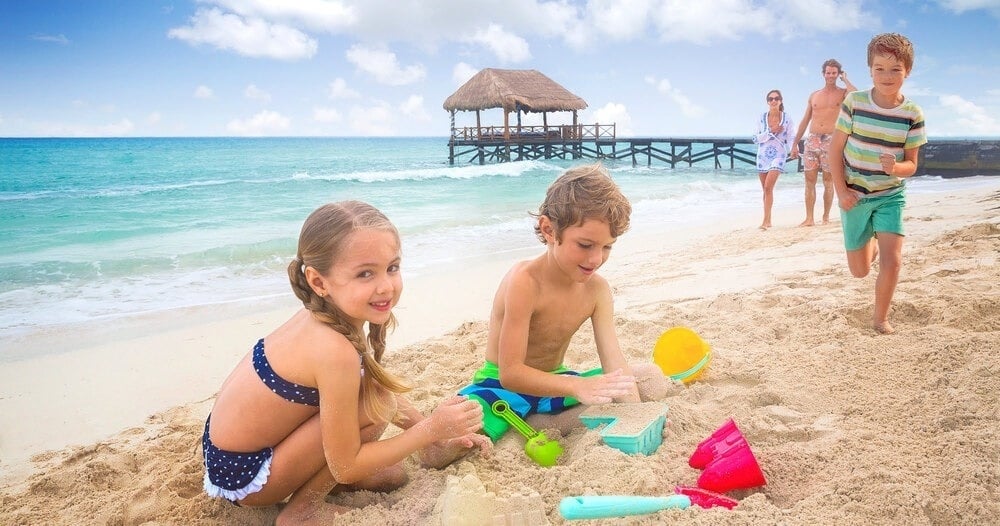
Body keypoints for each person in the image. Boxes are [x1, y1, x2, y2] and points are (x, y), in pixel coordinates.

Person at [201, 201, 490, 524]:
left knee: (388, 461)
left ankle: (420, 452)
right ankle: (302, 512)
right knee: (372, 407)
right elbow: (347, 464)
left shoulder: (326, 314)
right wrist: (429, 429)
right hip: (246, 475)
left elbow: (371, 382)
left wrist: (434, 438)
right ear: (318, 282)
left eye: (392, 268)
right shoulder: (333, 349)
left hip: (226, 457)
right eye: (365, 273)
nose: (385, 286)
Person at [457, 164, 664, 443]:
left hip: (556, 384)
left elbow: (614, 362)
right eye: (585, 245)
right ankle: (538, 419)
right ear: (549, 230)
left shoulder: (597, 290)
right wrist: (577, 386)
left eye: (607, 247)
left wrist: (637, 416)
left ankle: (540, 422)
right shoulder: (525, 282)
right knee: (443, 447)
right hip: (500, 388)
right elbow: (511, 373)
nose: (596, 259)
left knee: (650, 379)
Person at [829, 33, 927, 335]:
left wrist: (896, 167)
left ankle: (880, 318)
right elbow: (834, 150)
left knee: (892, 261)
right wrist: (842, 192)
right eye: (879, 68)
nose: (887, 76)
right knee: (859, 271)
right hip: (855, 196)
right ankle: (867, 237)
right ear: (870, 70)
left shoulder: (912, 114)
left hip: (890, 195)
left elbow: (912, 165)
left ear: (907, 71)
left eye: (895, 69)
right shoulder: (854, 103)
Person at [791, 59, 857, 226]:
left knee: (828, 181)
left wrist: (846, 79)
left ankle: (826, 217)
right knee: (809, 181)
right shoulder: (814, 95)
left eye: (834, 73)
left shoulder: (843, 93)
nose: (830, 76)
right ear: (823, 74)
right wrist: (795, 143)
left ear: (838, 74)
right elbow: (805, 120)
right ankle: (809, 218)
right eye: (828, 72)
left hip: (831, 140)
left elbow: (855, 94)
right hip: (812, 139)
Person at [753, 90, 796, 230]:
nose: (773, 101)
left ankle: (765, 221)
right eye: (771, 99)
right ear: (767, 102)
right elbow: (755, 138)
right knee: (765, 191)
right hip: (762, 156)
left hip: (778, 155)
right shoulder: (761, 117)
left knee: (768, 187)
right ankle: (768, 219)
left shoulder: (787, 118)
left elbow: (790, 137)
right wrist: (771, 130)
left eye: (776, 98)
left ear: (781, 101)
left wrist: (794, 148)